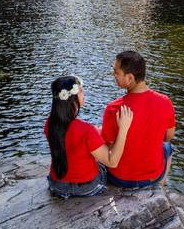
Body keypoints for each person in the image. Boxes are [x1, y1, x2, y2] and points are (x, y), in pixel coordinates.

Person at [45, 75, 133, 199]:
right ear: (72, 98)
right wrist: (123, 129)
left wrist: (95, 132)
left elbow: (70, 137)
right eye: (81, 91)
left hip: (57, 185)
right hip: (86, 187)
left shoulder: (49, 123)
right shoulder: (86, 130)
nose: (84, 93)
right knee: (103, 165)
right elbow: (112, 162)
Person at [101, 50, 175, 188]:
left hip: (119, 178)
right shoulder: (165, 102)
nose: (113, 75)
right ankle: (161, 182)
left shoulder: (113, 108)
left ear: (129, 78)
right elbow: (168, 137)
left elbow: (109, 147)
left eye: (116, 72)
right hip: (152, 177)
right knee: (168, 146)